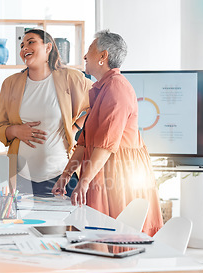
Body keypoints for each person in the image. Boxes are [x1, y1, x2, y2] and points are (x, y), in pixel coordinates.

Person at [52, 30, 163, 236]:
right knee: (98, 234)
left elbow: (105, 144)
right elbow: (84, 143)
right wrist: (66, 176)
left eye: (89, 51)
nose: (85, 56)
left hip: (119, 174)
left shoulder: (117, 88)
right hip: (101, 169)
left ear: (103, 56)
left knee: (116, 236)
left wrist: (83, 182)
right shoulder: (102, 88)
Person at [0, 28, 92, 196]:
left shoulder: (70, 78)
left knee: (65, 223)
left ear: (48, 48)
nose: (24, 48)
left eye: (31, 42)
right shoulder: (10, 84)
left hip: (62, 176)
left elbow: (100, 102)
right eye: (22, 45)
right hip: (21, 179)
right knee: (22, 223)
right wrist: (16, 130)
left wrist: (75, 127)